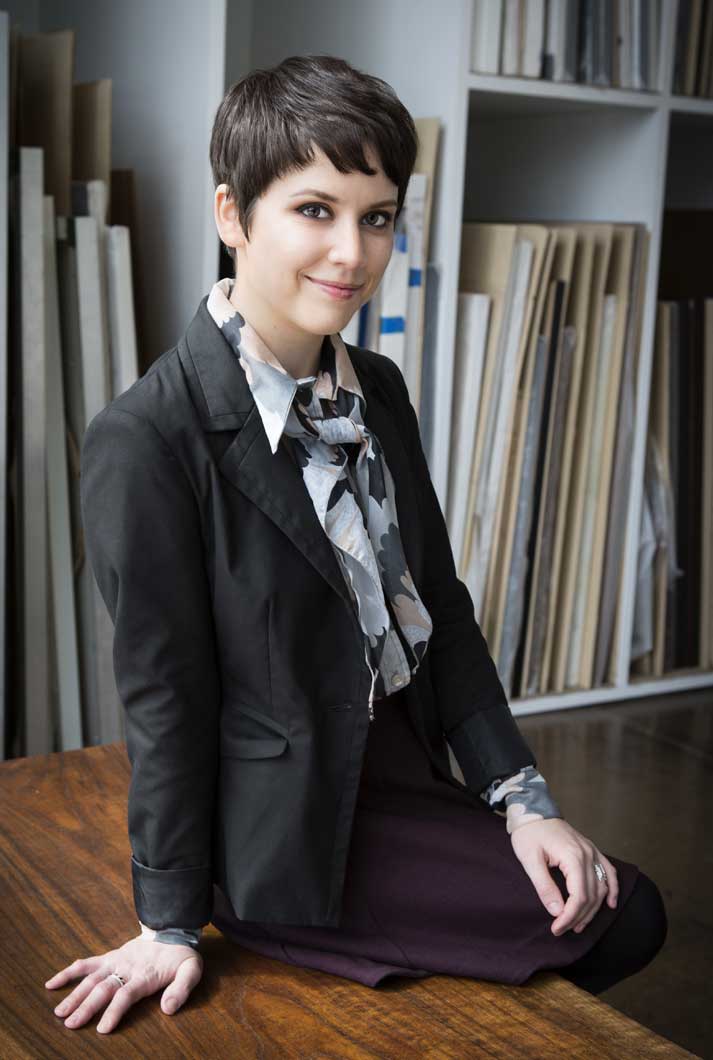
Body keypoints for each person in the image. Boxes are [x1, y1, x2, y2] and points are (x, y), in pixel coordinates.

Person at [45, 54, 667, 1036]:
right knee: (621, 914)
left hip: (400, 764)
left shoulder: (375, 388)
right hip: (279, 827)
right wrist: (166, 919)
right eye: (313, 210)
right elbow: (166, 699)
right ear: (230, 215)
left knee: (593, 892)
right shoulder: (149, 439)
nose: (350, 251)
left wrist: (523, 797)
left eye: (375, 216)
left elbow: (442, 607)